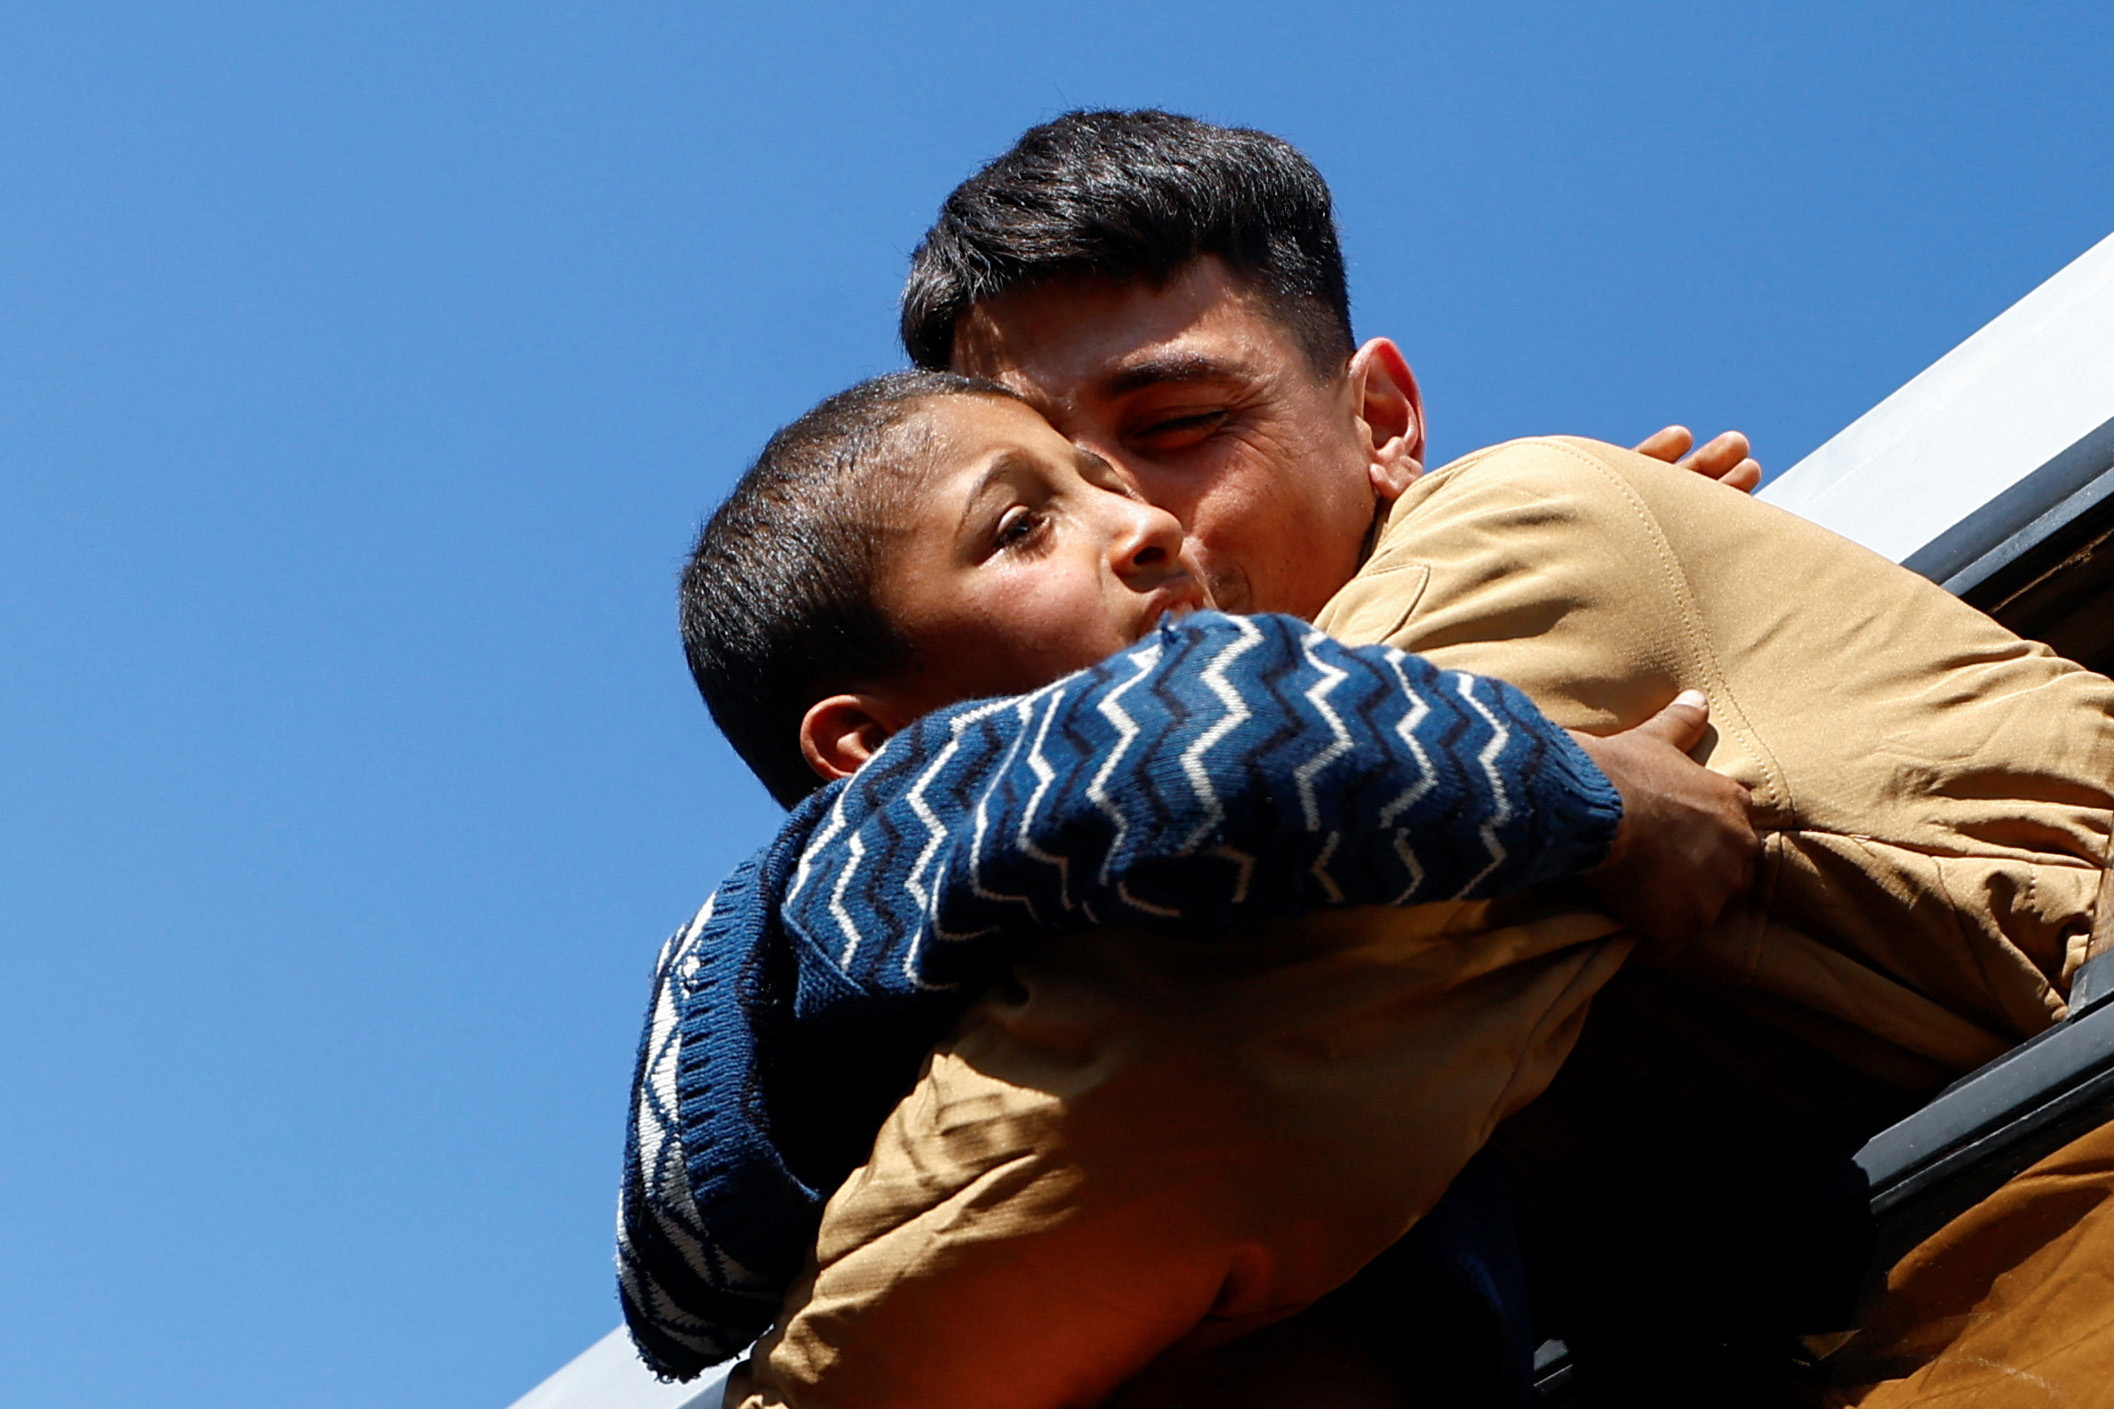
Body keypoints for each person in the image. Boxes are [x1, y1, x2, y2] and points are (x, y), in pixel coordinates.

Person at [639, 110, 2114, 1405]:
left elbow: (1180, 1090)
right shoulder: (1030, 873)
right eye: (1036, 498)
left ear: (1384, 424)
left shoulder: (1515, 525)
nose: (1135, 521)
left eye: (1170, 431)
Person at [617, 369, 1755, 1395]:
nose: (1148, 522)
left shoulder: (999, 879)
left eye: (1105, 480)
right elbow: (1226, 740)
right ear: (866, 745)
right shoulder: (881, 838)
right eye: (1022, 527)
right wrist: (1597, 795)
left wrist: (1590, 585)